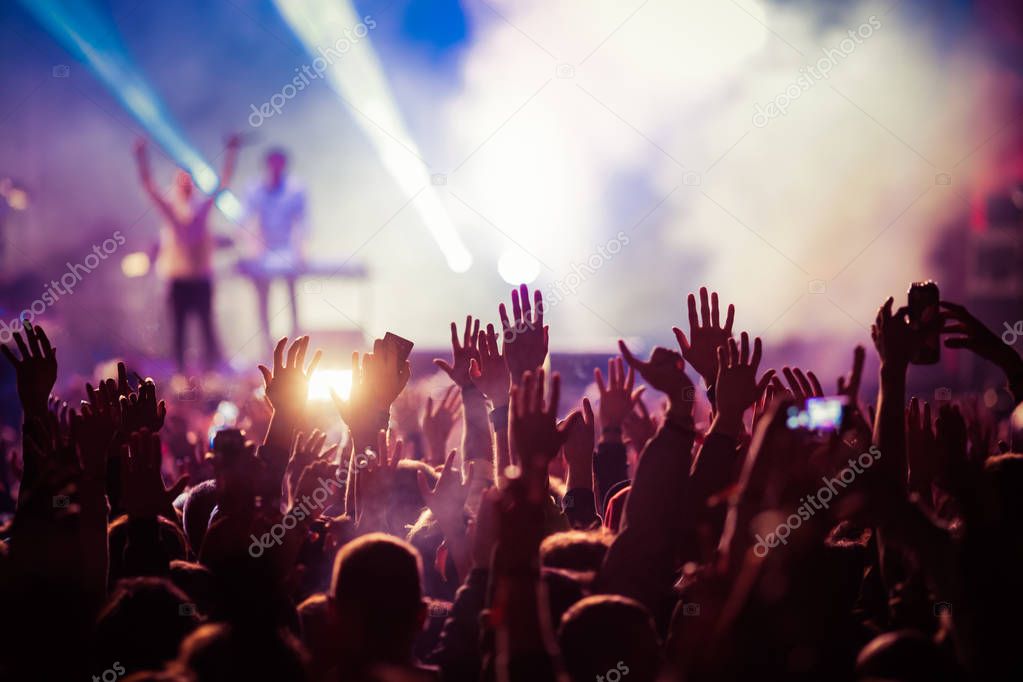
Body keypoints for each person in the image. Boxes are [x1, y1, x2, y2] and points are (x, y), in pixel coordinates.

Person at [133, 136, 240, 374]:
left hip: (201, 279)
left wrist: (232, 152)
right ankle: (181, 372)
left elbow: (223, 183)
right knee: (179, 331)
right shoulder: (171, 210)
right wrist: (141, 156)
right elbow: (149, 185)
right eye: (181, 181)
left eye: (188, 181)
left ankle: (212, 370)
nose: (185, 185)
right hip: (179, 280)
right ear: (176, 185)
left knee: (207, 329)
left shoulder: (201, 209)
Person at [240, 148, 308, 353]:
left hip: (287, 248)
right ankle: (267, 342)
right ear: (267, 166)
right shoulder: (255, 189)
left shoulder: (296, 189)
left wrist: (301, 251)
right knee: (263, 296)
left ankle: (296, 340)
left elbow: (303, 223)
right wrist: (252, 249)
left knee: (292, 294)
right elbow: (246, 221)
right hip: (263, 250)